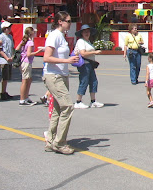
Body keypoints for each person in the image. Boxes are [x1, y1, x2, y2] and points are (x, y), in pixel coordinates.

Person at [43, 11, 81, 154]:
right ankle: (59, 142)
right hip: (54, 76)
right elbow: (46, 57)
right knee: (67, 106)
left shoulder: (62, 37)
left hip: (62, 75)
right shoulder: (54, 36)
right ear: (60, 21)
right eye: (68, 21)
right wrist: (67, 61)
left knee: (58, 109)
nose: (70, 24)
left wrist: (73, 57)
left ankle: (51, 140)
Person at [74, 25, 104, 109]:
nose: (87, 33)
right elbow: (83, 53)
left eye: (88, 31)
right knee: (84, 81)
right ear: (82, 33)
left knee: (93, 81)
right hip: (84, 64)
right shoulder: (81, 41)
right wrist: (95, 52)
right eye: (85, 32)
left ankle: (93, 101)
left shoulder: (88, 41)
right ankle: (78, 101)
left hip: (89, 64)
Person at [16, 26, 45, 106]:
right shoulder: (30, 42)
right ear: (31, 33)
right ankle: (22, 99)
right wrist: (38, 52)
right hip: (26, 62)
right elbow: (29, 54)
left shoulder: (24, 41)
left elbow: (17, 49)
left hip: (23, 62)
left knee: (28, 79)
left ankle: (25, 97)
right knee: (25, 80)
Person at [0, 20, 14, 100]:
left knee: (7, 77)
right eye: (8, 27)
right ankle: (2, 92)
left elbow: (12, 48)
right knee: (4, 76)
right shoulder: (1, 37)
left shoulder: (10, 36)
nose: (10, 29)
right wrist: (6, 58)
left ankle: (5, 91)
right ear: (4, 28)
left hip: (10, 59)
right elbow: (0, 49)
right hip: (4, 59)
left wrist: (12, 56)